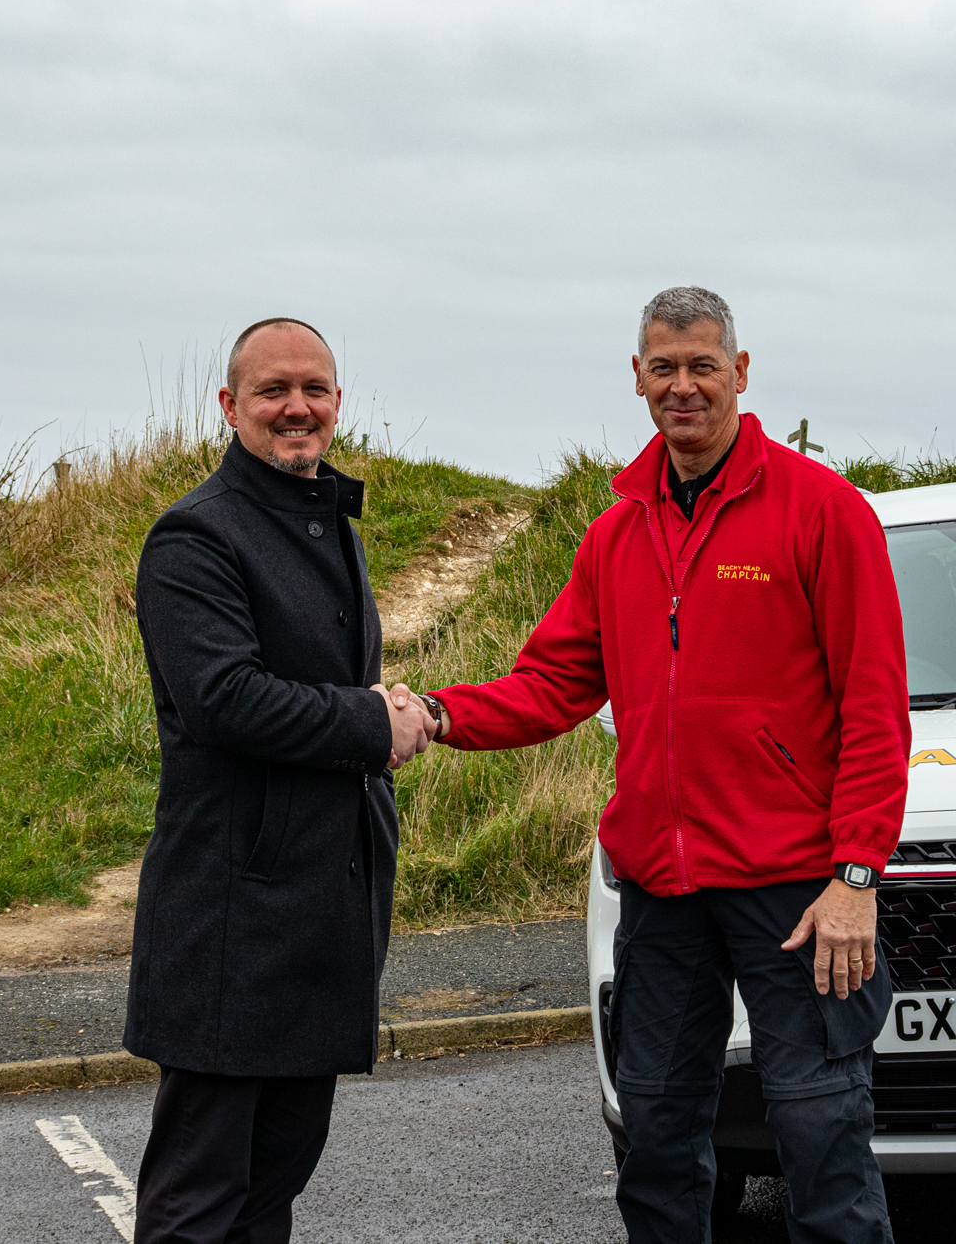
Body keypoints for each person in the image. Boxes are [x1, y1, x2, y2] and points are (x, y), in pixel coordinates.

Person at [397, 286, 910, 1243]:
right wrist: (436, 713)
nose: (684, 387)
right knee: (659, 1143)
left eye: (702, 365)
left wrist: (856, 875)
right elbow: (550, 683)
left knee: (821, 1135)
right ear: (637, 378)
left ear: (740, 373)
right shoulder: (617, 532)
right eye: (664, 368)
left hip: (795, 892)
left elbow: (875, 712)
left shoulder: (823, 512)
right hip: (663, 892)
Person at [125, 316, 435, 1244]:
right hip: (233, 925)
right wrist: (372, 721)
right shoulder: (193, 538)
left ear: (338, 402)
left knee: (272, 1189)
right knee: (198, 1202)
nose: (295, 407)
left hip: (318, 921)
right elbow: (224, 699)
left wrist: (370, 706)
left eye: (314, 388)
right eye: (272, 391)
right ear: (230, 406)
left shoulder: (326, 515)